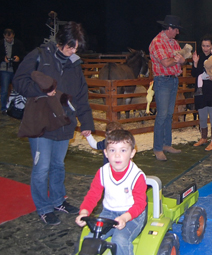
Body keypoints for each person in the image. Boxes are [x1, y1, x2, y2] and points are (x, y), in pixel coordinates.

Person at [13, 22, 95, 225]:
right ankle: (43, 207)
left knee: (58, 165)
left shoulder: (75, 63)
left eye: (76, 47)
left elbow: (81, 95)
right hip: (41, 122)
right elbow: (19, 80)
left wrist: (86, 123)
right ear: (60, 41)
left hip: (65, 121)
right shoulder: (40, 54)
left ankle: (58, 200)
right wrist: (41, 90)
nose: (73, 50)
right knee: (42, 167)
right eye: (70, 46)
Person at [75, 130, 147, 255]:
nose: (117, 155)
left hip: (132, 215)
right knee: (91, 239)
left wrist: (125, 217)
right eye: (112, 150)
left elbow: (140, 204)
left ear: (132, 153)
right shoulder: (103, 172)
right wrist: (84, 212)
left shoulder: (137, 176)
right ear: (106, 153)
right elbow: (93, 195)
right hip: (108, 212)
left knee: (119, 240)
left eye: (123, 150)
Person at [149, 15, 186, 161]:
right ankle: (158, 148)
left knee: (169, 114)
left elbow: (181, 59)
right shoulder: (157, 42)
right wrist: (178, 60)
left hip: (172, 80)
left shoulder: (174, 43)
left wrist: (180, 60)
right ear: (169, 28)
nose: (177, 32)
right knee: (162, 115)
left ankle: (166, 144)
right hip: (162, 81)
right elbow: (165, 63)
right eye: (176, 29)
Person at [1, 28, 26, 114]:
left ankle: (16, 107)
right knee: (4, 90)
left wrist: (18, 58)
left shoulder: (18, 43)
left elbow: (23, 55)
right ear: (4, 36)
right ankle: (3, 108)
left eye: (11, 38)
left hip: (16, 69)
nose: (9, 40)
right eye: (8, 38)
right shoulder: (1, 43)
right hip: (4, 69)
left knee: (16, 90)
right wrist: (3, 58)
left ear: (13, 35)